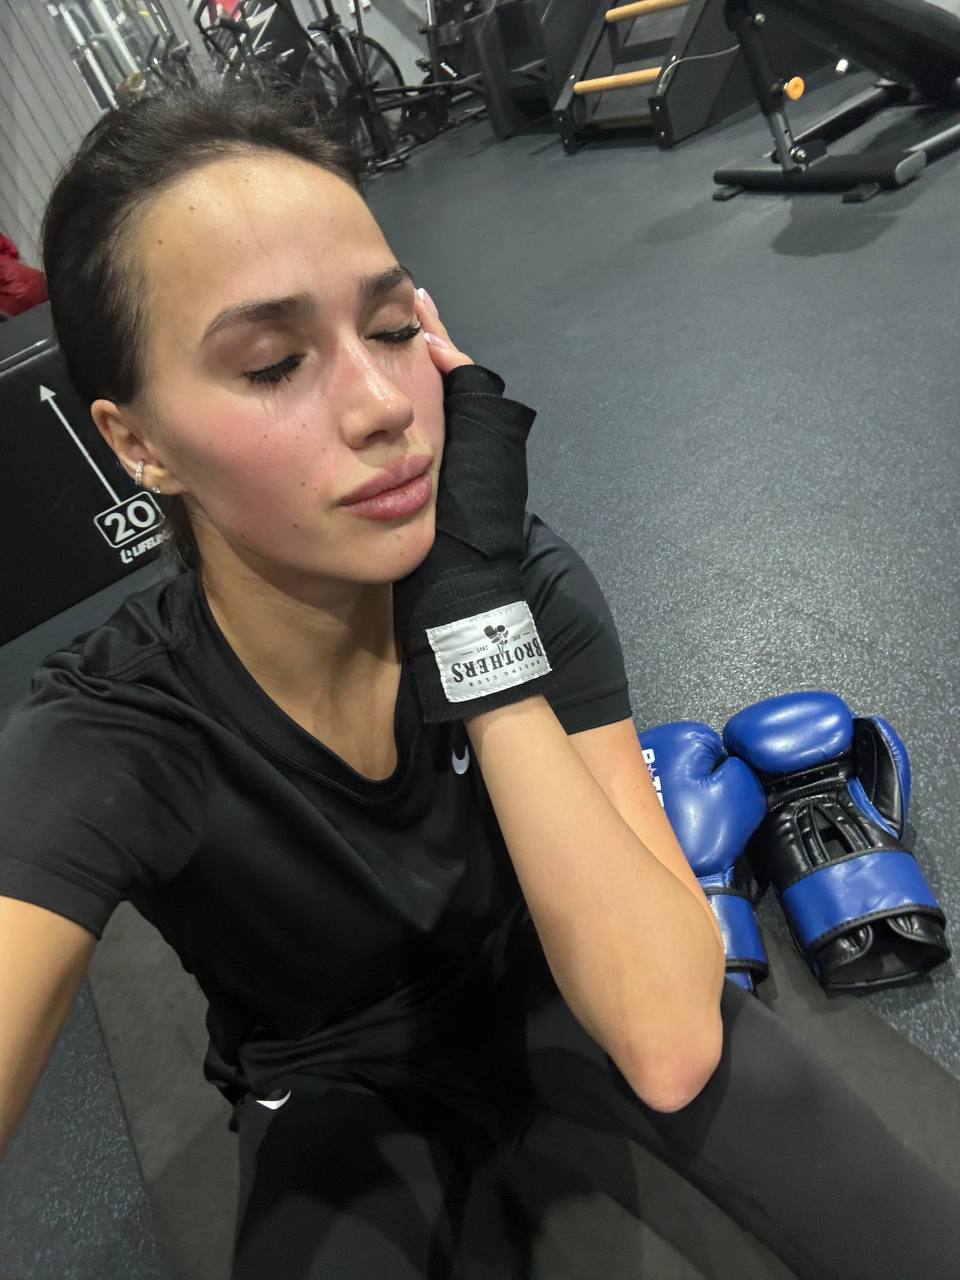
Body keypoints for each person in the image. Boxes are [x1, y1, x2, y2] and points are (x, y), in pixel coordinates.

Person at [0, 75, 957, 1280]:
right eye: (273, 363)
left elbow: (668, 1043)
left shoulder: (520, 580)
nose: (381, 405)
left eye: (392, 328)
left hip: (553, 952)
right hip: (330, 1068)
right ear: (137, 441)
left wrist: (473, 619)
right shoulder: (113, 725)